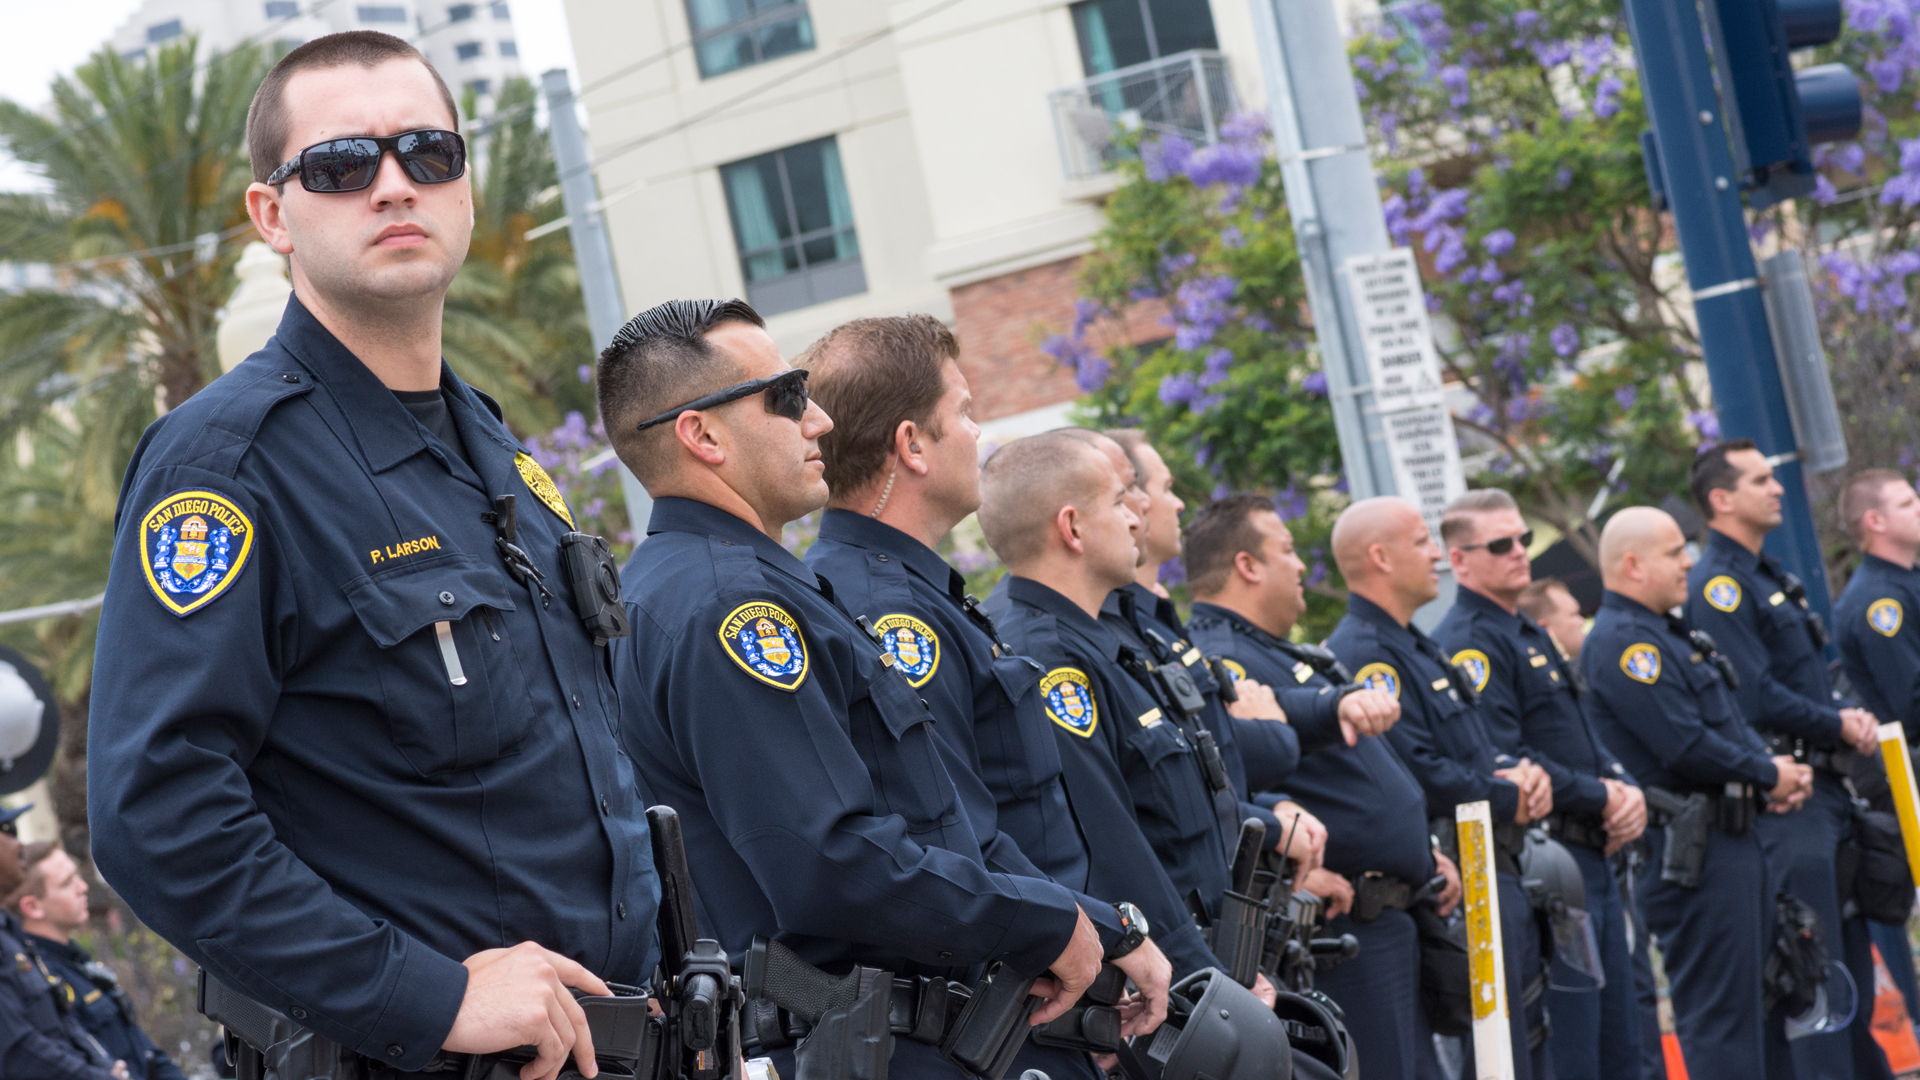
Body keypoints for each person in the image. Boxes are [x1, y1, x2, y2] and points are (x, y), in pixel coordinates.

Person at [89, 32, 651, 1080]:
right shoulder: (225, 467)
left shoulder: (492, 452)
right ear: (274, 216)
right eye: (344, 165)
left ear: (466, 189)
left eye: (428, 153)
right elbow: (157, 812)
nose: (395, 185)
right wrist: (428, 995)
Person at [599, 300, 1106, 1079]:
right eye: (787, 395)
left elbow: (940, 818)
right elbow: (827, 863)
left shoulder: (742, 582)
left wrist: (1092, 924)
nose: (820, 422)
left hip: (906, 1032)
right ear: (701, 435)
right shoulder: (729, 606)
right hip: (860, 1043)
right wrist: (1039, 920)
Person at [795, 315, 1174, 1077]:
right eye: (964, 411)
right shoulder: (889, 611)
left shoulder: (915, 591)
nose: (981, 431)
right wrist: (1106, 935)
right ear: (912, 445)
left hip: (1048, 979)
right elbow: (957, 832)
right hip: (1013, 1002)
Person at [1182, 494, 1454, 1080]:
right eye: (1285, 550)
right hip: (1337, 922)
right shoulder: (1225, 658)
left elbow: (1343, 778)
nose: (1302, 565)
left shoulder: (1272, 651)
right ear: (1247, 566)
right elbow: (1225, 794)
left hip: (1389, 915)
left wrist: (1422, 853)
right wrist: (1287, 869)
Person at [974, 432, 1255, 989]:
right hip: (1160, 982)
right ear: (1072, 527)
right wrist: (1205, 981)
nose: (1136, 518)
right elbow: (1111, 844)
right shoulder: (1049, 658)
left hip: (1202, 955)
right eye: (1119, 502)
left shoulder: (1103, 641)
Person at [1323, 496, 1553, 1080]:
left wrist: (1514, 772)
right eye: (1423, 542)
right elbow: (1416, 771)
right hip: (1463, 871)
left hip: (1495, 865)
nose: (1436, 556)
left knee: (1522, 1047)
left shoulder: (1415, 644)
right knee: (1494, 1058)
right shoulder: (1365, 654)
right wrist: (1507, 795)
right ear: (1379, 556)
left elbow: (1469, 748)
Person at [1583, 506, 1812, 1080]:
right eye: (1674, 552)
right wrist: (1769, 775)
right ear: (1633, 565)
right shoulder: (1624, 642)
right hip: (1695, 855)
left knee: (1767, 1006)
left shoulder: (1666, 630)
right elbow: (1685, 745)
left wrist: (1764, 777)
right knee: (1723, 1024)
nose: (1688, 561)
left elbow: (1720, 729)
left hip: (1733, 838)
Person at [1685, 440, 1889, 1080]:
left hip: (1824, 788)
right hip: (1786, 799)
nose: (1775, 488)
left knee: (1850, 971)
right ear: (1721, 500)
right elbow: (1751, 690)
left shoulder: (1767, 574)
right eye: (1757, 481)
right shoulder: (1720, 584)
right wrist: (1837, 720)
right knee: (1815, 984)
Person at [1432, 490, 1647, 1080]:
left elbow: (1580, 733)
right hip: (1548, 867)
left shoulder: (1525, 630)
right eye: (1501, 544)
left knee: (1619, 1045)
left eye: (1523, 538)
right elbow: (1506, 761)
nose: (1520, 552)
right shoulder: (1472, 641)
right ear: (1461, 559)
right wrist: (1604, 796)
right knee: (1573, 1049)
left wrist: (1623, 786)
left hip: (1592, 857)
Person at [1090, 430, 1319, 878]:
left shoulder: (1152, 619)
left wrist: (1272, 809)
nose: (1175, 504)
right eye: (1160, 487)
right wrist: (1272, 732)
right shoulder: (1098, 632)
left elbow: (1212, 766)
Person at [1831, 468, 1920, 1027]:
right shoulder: (1877, 601)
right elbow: (1910, 701)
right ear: (1876, 521)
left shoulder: (1907, 582)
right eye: (1909, 502)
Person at [9, 845, 185, 1080]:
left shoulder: (76, 963)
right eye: (66, 883)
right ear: (32, 906)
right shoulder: (42, 979)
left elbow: (147, 1053)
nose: (82, 888)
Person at [0, 834, 124, 1080]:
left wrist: (104, 1070)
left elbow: (67, 1026)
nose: (15, 843)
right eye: (3, 835)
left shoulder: (10, 933)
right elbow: (18, 1050)